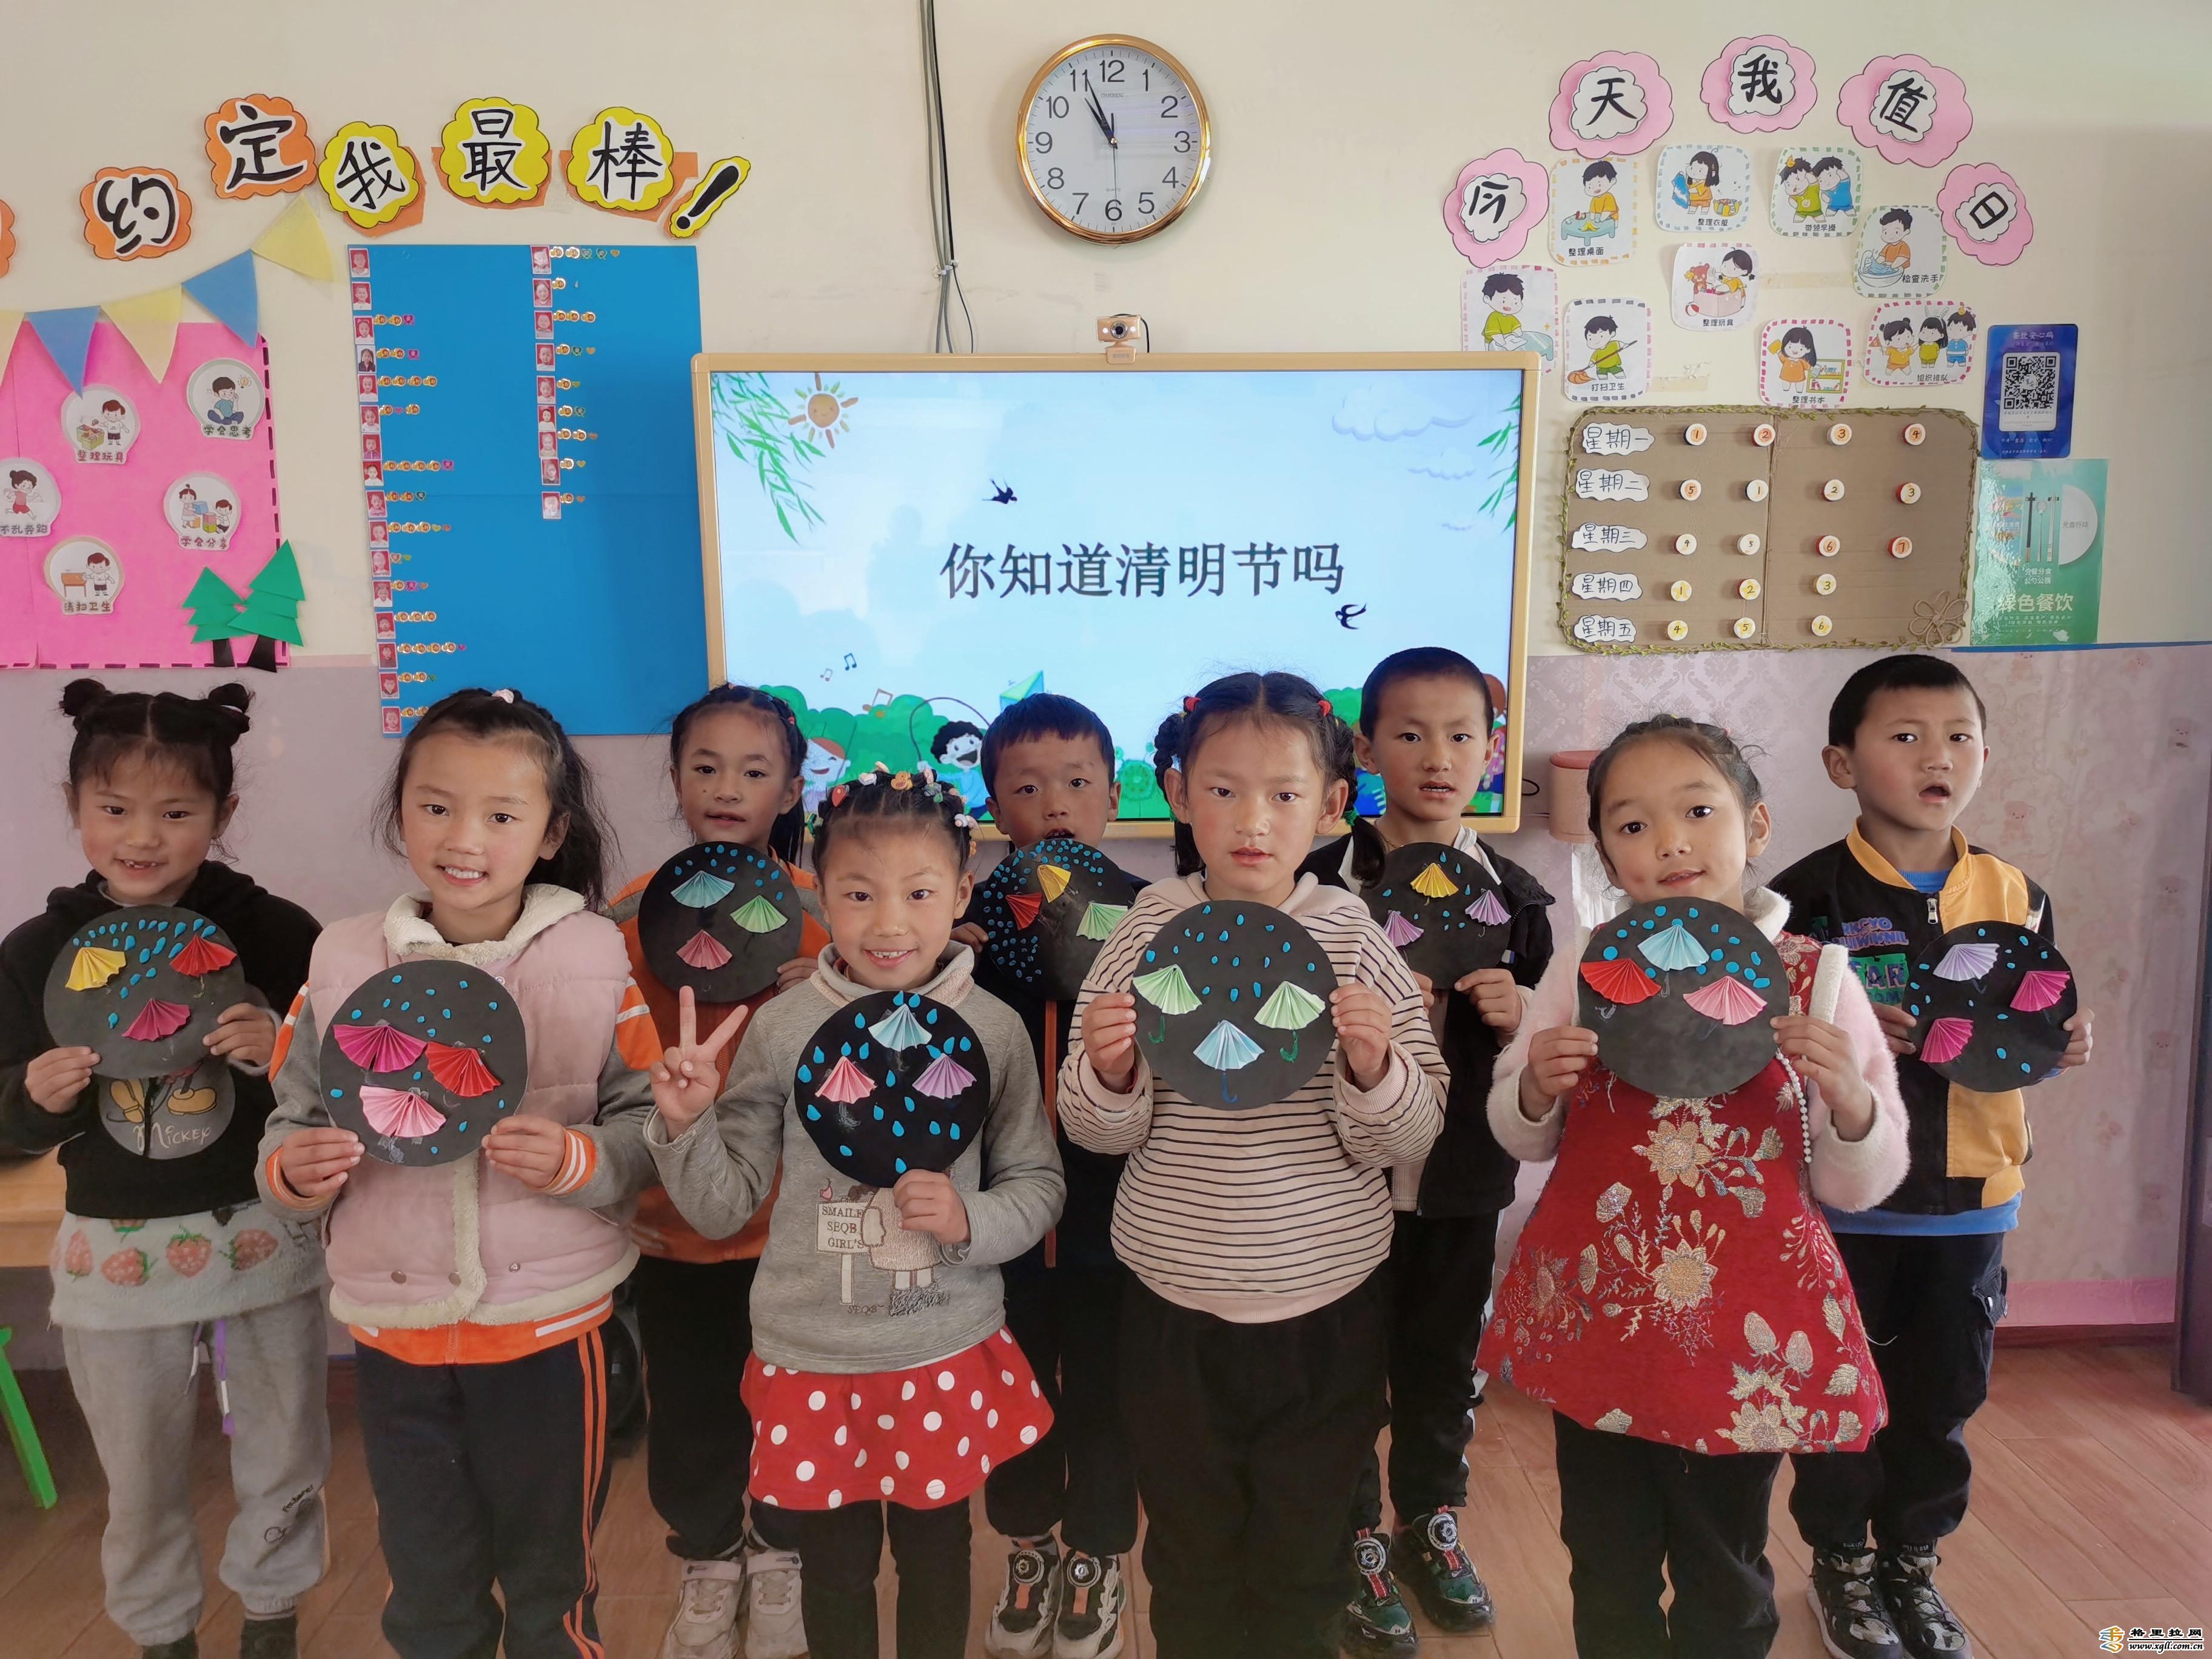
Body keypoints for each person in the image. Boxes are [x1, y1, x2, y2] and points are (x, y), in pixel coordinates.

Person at [573, 763, 1064, 1659]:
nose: (889, 923)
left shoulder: (994, 1030)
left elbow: (1037, 1182)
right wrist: (682, 1124)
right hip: (813, 1356)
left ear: (960, 895)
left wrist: (969, 1220)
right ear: (819, 898)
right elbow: (721, 1208)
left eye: (920, 893)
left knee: (938, 1557)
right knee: (833, 1568)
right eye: (859, 894)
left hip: (941, 1346)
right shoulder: (784, 1025)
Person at [1483, 715, 1910, 1658]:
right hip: (1602, 1310)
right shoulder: (1585, 965)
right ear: (1607, 855)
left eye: (1699, 811)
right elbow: (1525, 1136)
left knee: (1726, 1557)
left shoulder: (1818, 978)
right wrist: (1532, 1086)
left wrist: (1851, 1099)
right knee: (1605, 1548)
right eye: (1633, 826)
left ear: (1756, 826)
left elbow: (1859, 1183)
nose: (1670, 842)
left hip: (1743, 1331)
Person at [259, 687, 663, 1659]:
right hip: (395, 1331)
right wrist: (292, 1175)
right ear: (400, 810)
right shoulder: (340, 960)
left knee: (551, 1576)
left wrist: (578, 1160)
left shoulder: (597, 958)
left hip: (549, 1326)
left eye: (502, 815)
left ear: (552, 832)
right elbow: (291, 1120)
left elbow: (650, 1129)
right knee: (427, 1582)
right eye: (436, 806)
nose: (464, 838)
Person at [1060, 672, 1446, 1659]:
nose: (1253, 820)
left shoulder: (1355, 937)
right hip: (1173, 1305)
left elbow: (1413, 1133)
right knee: (1189, 1549)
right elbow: (1093, 1129)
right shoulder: (1147, 929)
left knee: (1305, 1551)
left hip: (1328, 1305)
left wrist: (1376, 1069)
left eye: (1284, 794)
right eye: (1224, 790)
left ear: (1331, 805)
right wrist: (1109, 1073)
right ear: (1178, 793)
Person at [1774, 656, 2093, 1659]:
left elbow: (2031, 1018)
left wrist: (2063, 1043)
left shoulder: (2017, 895)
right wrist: (1841, 1027)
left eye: (1958, 737)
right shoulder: (1806, 895)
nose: (1936, 758)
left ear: (1986, 755)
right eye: (1905, 736)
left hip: (1973, 1196)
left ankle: (1912, 1564)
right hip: (1843, 1200)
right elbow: (1763, 1036)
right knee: (1839, 1395)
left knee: (1944, 1397)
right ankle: (1841, 1566)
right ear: (1841, 763)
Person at [0, 682, 326, 1659]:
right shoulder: (36, 952)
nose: (142, 837)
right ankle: (160, 1633)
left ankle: (273, 1617)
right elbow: (4, 1117)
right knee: (136, 1470)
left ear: (224, 815)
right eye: (114, 808)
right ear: (74, 806)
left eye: (177, 812)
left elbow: (345, 1089)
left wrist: (282, 1051)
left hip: (261, 1228)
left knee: (284, 1446)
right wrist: (33, 1098)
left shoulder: (279, 933)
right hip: (116, 1248)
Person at [1299, 649, 1553, 1656]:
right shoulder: (1318, 885)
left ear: (1492, 751)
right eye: (1410, 734)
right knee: (1345, 1369)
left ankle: (1430, 1522)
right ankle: (1355, 1536)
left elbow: (1552, 1050)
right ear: (1365, 751)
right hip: (1342, 1179)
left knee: (1444, 1362)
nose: (1438, 757)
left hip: (1462, 1180)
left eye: (1461, 736)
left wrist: (1521, 1010)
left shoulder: (1519, 900)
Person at [608, 685, 828, 1659]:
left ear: (791, 788)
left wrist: (834, 987)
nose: (728, 788)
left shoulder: (825, 916)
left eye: (754, 769)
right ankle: (707, 1559)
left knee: (790, 1403)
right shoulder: (624, 920)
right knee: (694, 1406)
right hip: (677, 1223)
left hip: (794, 1227)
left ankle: (781, 1554)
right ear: (675, 778)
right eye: (706, 767)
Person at [948, 694, 1142, 1659]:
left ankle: (1098, 1556)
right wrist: (949, 964)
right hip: (1002, 1221)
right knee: (1011, 1386)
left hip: (1121, 1221)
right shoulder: (963, 922)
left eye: (1076, 783)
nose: (1055, 805)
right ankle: (1027, 1546)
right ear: (994, 807)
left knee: (1109, 1388)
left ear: (1115, 795)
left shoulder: (1154, 916)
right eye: (1027, 789)